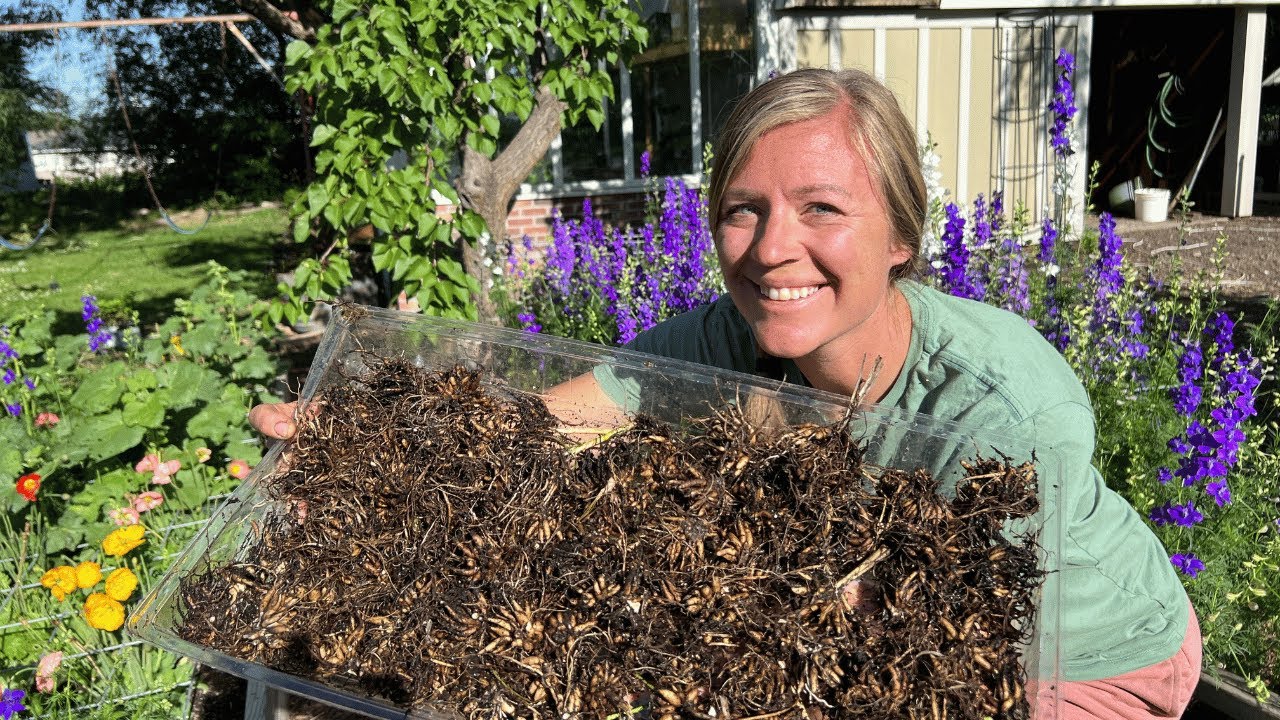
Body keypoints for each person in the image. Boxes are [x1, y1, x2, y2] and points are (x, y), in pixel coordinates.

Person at [251, 67, 1200, 718]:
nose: (771, 247)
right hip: (866, 615)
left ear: (902, 237)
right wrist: (376, 441)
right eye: (743, 210)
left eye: (822, 208)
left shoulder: (1000, 410)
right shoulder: (724, 341)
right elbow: (554, 421)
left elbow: (936, 640)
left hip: (1086, 660)